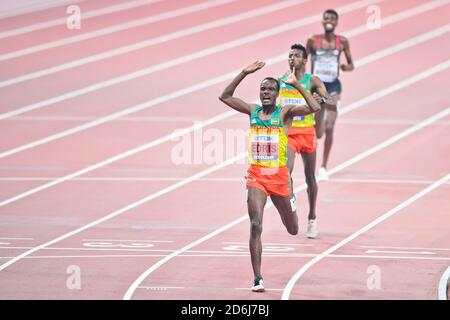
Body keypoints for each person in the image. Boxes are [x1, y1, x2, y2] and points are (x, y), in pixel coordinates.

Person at [219, 61, 320, 292]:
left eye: (270, 89)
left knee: (293, 228)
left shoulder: (284, 113)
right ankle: (257, 278)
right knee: (255, 224)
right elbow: (224, 96)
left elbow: (314, 107)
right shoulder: (252, 111)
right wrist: (244, 72)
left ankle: (292, 200)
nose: (265, 93)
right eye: (263, 89)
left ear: (277, 94)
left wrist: (297, 85)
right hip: (257, 176)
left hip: (280, 179)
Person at [278, 44, 335, 239]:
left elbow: (329, 100)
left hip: (307, 134)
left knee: (310, 177)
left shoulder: (313, 80)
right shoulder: (281, 81)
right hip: (289, 134)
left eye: (296, 55)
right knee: (286, 172)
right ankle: (292, 201)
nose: (292, 58)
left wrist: (321, 99)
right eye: (290, 55)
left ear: (304, 60)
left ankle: (312, 216)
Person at [306, 8, 354, 180]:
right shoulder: (313, 41)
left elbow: (351, 65)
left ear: (336, 22)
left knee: (330, 126)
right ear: (323, 21)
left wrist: (345, 68)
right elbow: (304, 61)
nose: (329, 20)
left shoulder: (342, 41)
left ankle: (323, 167)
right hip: (316, 87)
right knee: (318, 131)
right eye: (327, 18)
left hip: (333, 87)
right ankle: (313, 157)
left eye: (333, 18)